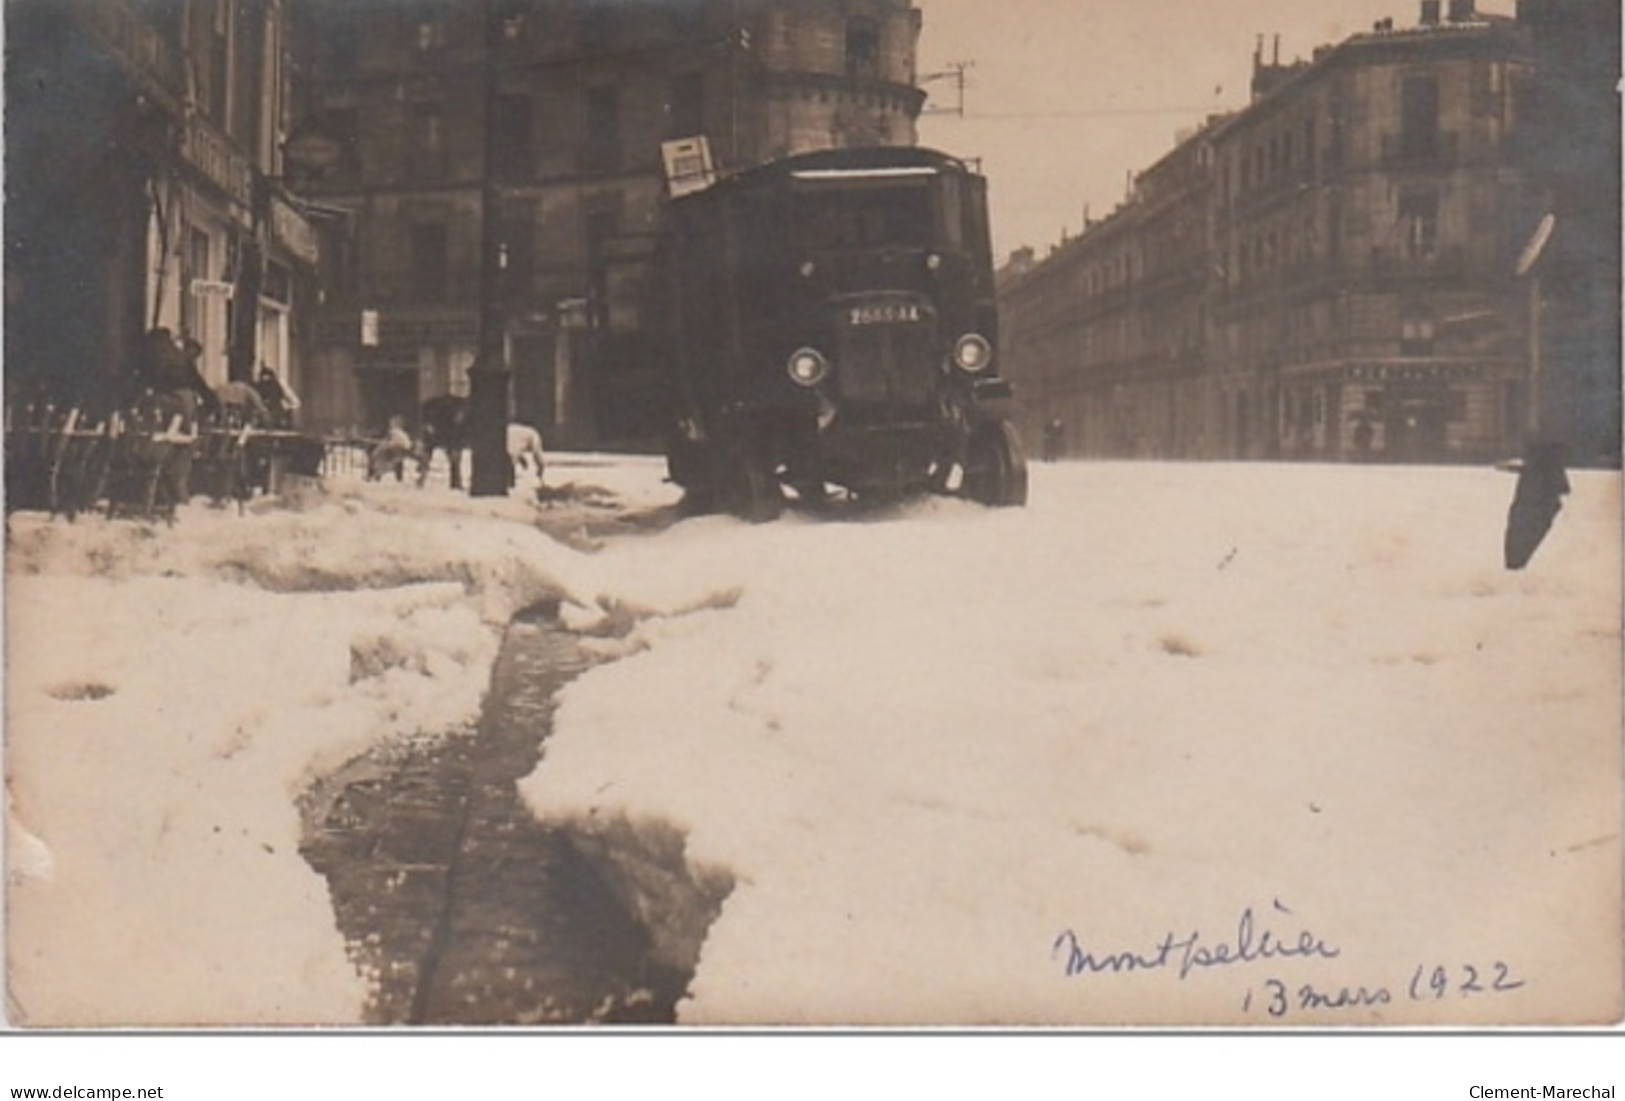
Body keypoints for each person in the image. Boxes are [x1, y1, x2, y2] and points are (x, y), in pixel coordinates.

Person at [367, 416, 416, 482]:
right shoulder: (401, 433)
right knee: (385, 459)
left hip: (397, 449)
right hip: (403, 449)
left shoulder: (394, 432)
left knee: (378, 455)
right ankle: (376, 474)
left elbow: (387, 441)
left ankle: (375, 474)